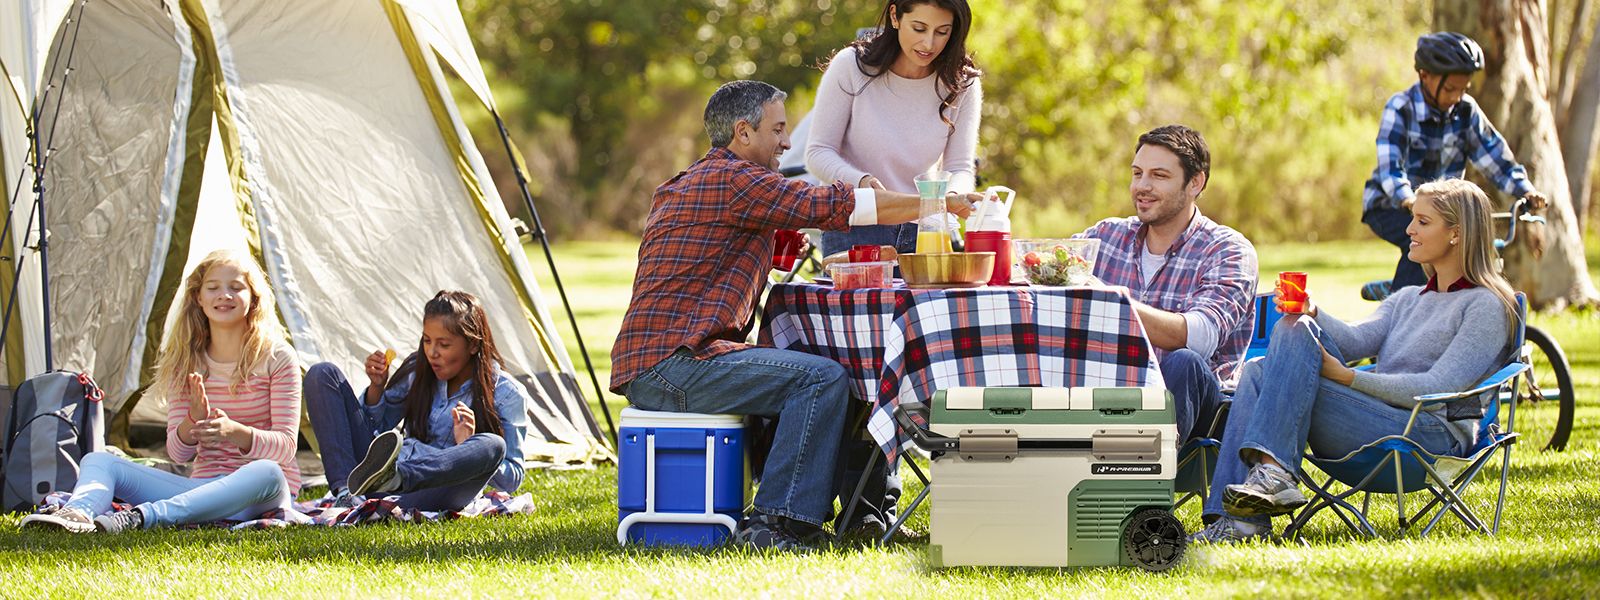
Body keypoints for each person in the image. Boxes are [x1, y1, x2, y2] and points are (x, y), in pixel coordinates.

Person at [611, 80, 972, 551]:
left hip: (661, 361)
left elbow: (721, 251)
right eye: (778, 129)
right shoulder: (736, 180)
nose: (786, 141)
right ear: (743, 132)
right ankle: (774, 523)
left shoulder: (696, 180)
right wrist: (935, 202)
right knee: (818, 379)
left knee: (813, 367)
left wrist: (776, 244)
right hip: (676, 366)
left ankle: (823, 509)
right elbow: (834, 206)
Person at [1193, 179, 1518, 543]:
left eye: (1423, 222)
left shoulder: (1485, 306)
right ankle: (1249, 507)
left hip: (1428, 435)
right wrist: (1311, 311)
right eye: (1412, 219)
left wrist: (1350, 379)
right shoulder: (1408, 297)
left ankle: (1260, 495)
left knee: (1261, 371)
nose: (1409, 230)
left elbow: (1439, 386)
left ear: (1456, 234)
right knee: (1276, 347)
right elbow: (1355, 341)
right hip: (1373, 421)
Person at [20, 250, 300, 533]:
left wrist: (234, 431)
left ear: (253, 297)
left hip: (261, 493)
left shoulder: (277, 357)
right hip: (198, 488)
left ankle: (143, 516)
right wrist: (191, 423)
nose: (224, 295)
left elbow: (286, 447)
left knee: (266, 471)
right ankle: (77, 515)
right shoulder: (186, 360)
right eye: (213, 288)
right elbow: (178, 455)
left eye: (236, 287)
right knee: (98, 459)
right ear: (198, 298)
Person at [1076, 125, 1257, 443]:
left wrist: (1111, 301)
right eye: (1137, 173)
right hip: (1101, 396)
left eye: (1159, 175)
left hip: (1194, 411)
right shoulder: (1103, 237)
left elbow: (1198, 337)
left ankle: (1136, 473)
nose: (1141, 186)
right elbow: (1044, 271)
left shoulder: (1227, 249)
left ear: (1195, 182)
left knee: (1184, 360)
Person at [303, 290, 531, 512]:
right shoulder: (418, 372)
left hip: (435, 491)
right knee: (323, 374)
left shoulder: (507, 393)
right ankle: (346, 495)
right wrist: (377, 387)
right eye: (427, 340)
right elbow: (376, 432)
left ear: (472, 345)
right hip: (376, 481)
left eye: (443, 345)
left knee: (493, 445)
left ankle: (397, 479)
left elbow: (513, 480)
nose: (432, 352)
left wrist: (467, 446)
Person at [1361, 32, 1547, 297]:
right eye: (1450, 89)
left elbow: (1494, 155)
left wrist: (1524, 189)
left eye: (1463, 89)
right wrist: (1409, 200)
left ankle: (1416, 294)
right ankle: (1401, 302)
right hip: (1389, 205)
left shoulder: (1466, 112)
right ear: (1424, 76)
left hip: (1441, 210)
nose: (1456, 97)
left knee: (1459, 249)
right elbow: (1391, 168)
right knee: (1422, 238)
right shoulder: (1400, 108)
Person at [806, 0, 986, 257]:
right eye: (919, 28)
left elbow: (959, 167)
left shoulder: (961, 83)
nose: (929, 44)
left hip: (926, 231)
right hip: (857, 227)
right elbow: (818, 152)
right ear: (895, 16)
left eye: (942, 32)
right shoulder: (851, 66)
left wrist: (954, 198)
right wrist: (861, 181)